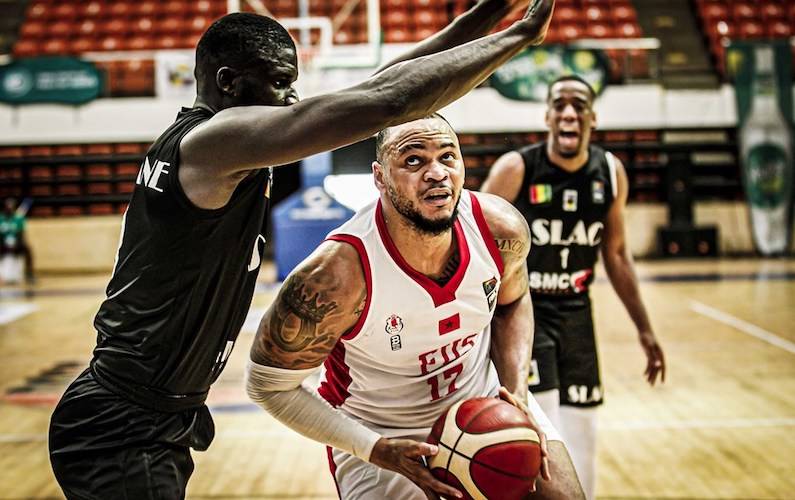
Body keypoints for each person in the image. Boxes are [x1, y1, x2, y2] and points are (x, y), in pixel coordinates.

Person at [48, 2, 557, 498]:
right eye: (278, 83)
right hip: (122, 421)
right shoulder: (210, 143)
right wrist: (515, 39)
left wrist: (485, 14)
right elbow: (389, 101)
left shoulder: (226, 148)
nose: (292, 99)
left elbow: (382, 84)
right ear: (228, 82)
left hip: (155, 413)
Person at [246, 114, 584, 499]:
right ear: (379, 177)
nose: (436, 173)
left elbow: (512, 301)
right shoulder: (335, 276)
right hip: (380, 432)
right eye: (413, 160)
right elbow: (267, 387)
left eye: (447, 156)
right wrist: (371, 447)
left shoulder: (500, 230)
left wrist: (516, 392)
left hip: (482, 403)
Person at [480, 74, 666, 499]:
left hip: (578, 314)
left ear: (592, 118)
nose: (568, 112)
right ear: (547, 116)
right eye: (559, 104)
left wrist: (644, 328)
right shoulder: (517, 169)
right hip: (525, 312)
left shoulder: (611, 173)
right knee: (542, 428)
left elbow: (616, 255)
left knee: (584, 429)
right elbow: (475, 244)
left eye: (578, 105)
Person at [0, 197, 34, 284]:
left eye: (11, 207)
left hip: (16, 244)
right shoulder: (0, 219)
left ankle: (29, 274)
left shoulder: (18, 219)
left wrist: (16, 245)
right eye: (8, 206)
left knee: (27, 248)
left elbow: (21, 234)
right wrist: (4, 245)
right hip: (2, 244)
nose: (9, 208)